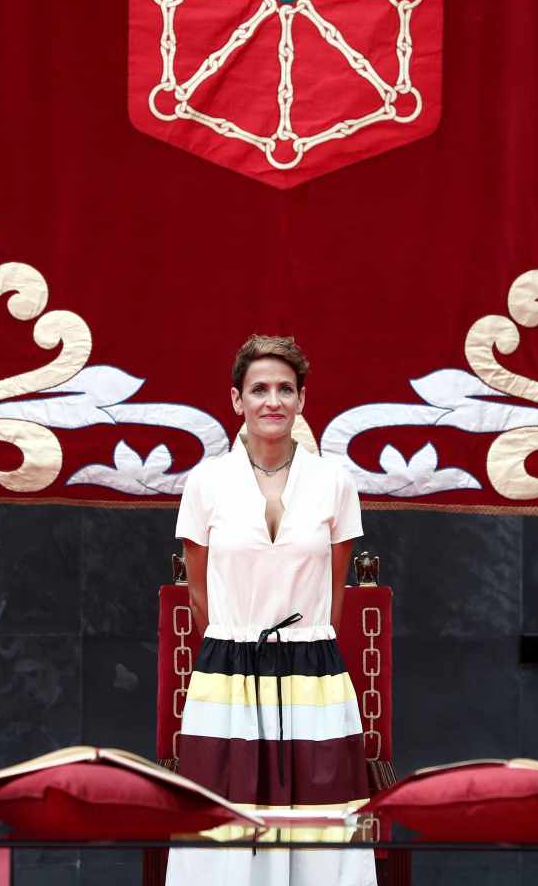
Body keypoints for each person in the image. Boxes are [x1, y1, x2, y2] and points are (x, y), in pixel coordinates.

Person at [166, 335, 375, 886]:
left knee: (321, 831)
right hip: (228, 672)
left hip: (314, 674)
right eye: (259, 389)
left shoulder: (335, 481)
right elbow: (197, 588)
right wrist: (240, 638)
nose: (272, 401)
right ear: (237, 400)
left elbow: (336, 587)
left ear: (302, 400)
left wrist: (300, 640)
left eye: (285, 389)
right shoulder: (206, 481)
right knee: (222, 839)